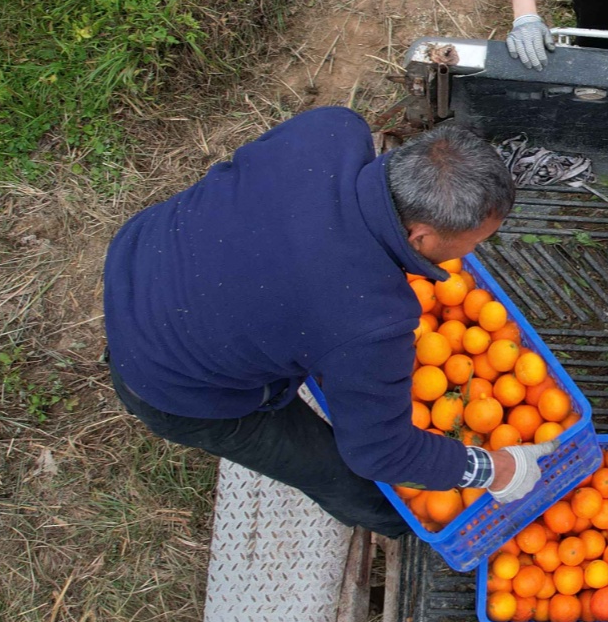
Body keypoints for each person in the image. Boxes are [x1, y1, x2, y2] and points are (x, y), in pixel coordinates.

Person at [102, 110, 552, 538]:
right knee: (340, 472)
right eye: (472, 243)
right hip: (167, 381)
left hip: (141, 261)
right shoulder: (372, 320)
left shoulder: (330, 129)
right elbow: (381, 451)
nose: (470, 255)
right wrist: (497, 470)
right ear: (421, 237)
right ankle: (397, 525)